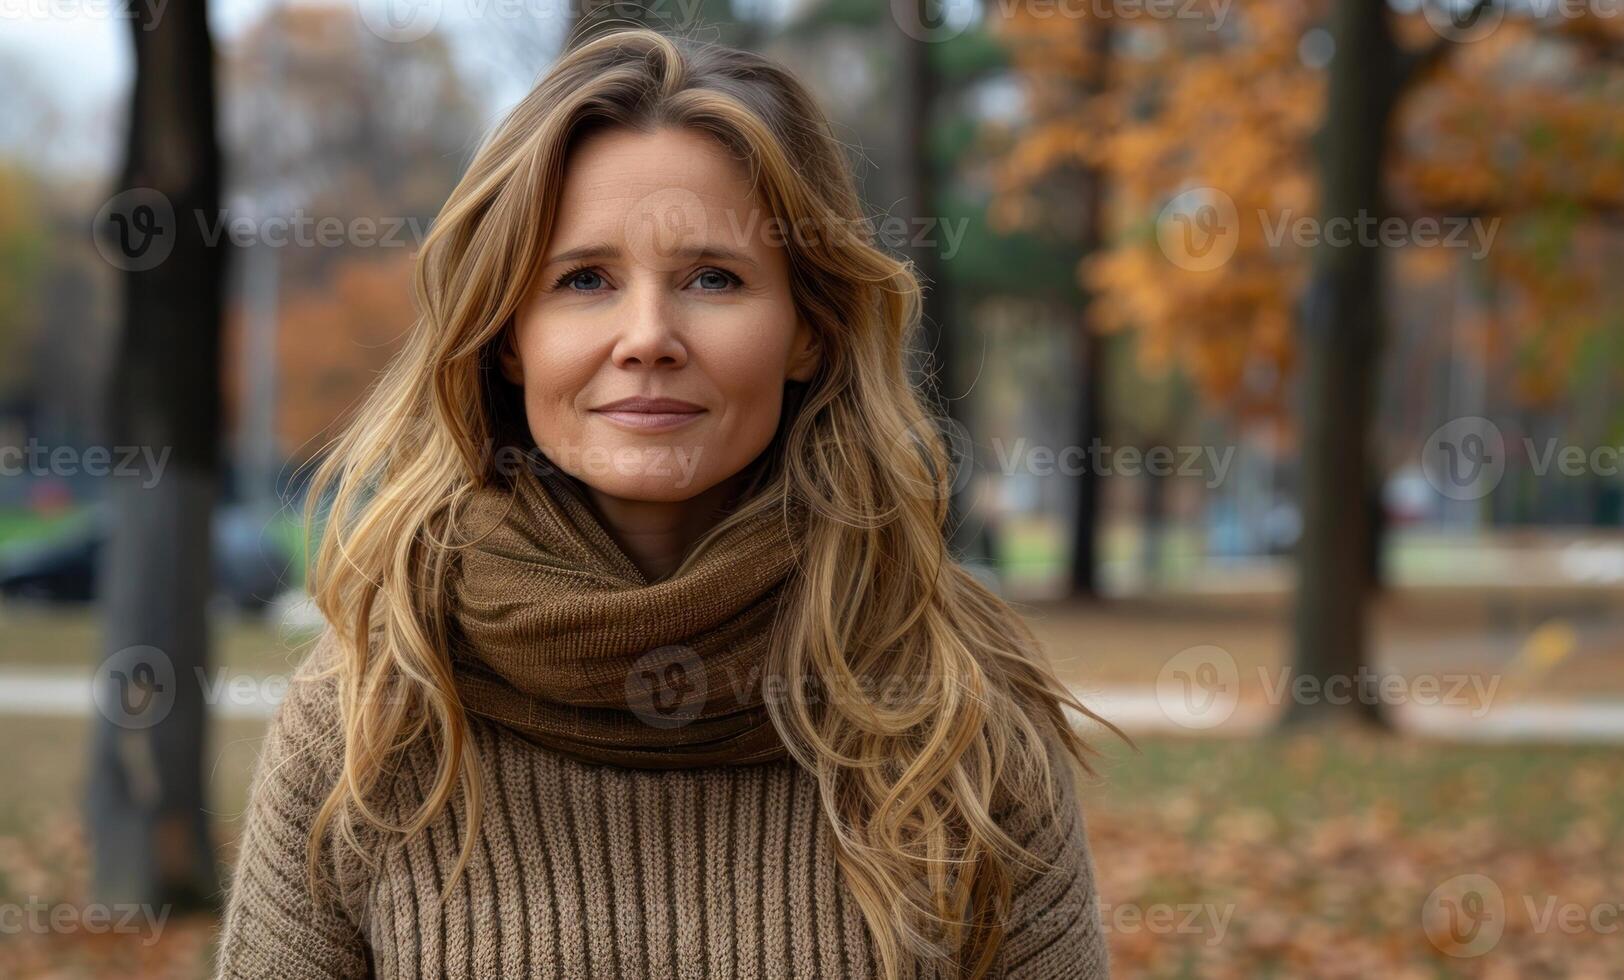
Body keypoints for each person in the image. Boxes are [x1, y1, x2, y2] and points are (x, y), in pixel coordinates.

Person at [214, 28, 1126, 980]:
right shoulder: (373, 706)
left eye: (712, 278)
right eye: (584, 280)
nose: (647, 336)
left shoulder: (954, 708)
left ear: (808, 331)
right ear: (510, 335)